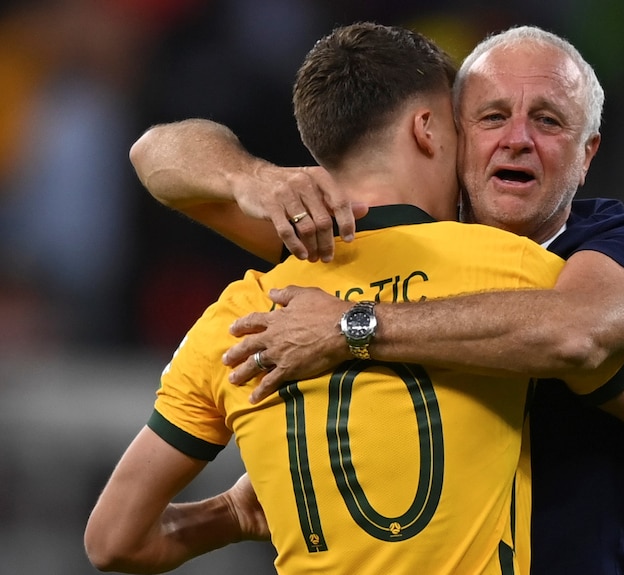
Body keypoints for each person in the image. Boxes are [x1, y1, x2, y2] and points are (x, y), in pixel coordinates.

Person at [129, 25, 624, 574]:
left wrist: (352, 328)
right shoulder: (372, 238)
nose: (517, 139)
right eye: (493, 116)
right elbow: (154, 153)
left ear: (587, 152)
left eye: (547, 121)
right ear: (451, 133)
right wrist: (254, 178)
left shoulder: (620, 244)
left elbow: (576, 334)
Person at [86, 22, 575, 574]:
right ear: (428, 129)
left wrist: (232, 513)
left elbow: (113, 540)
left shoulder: (243, 314)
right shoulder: (514, 270)